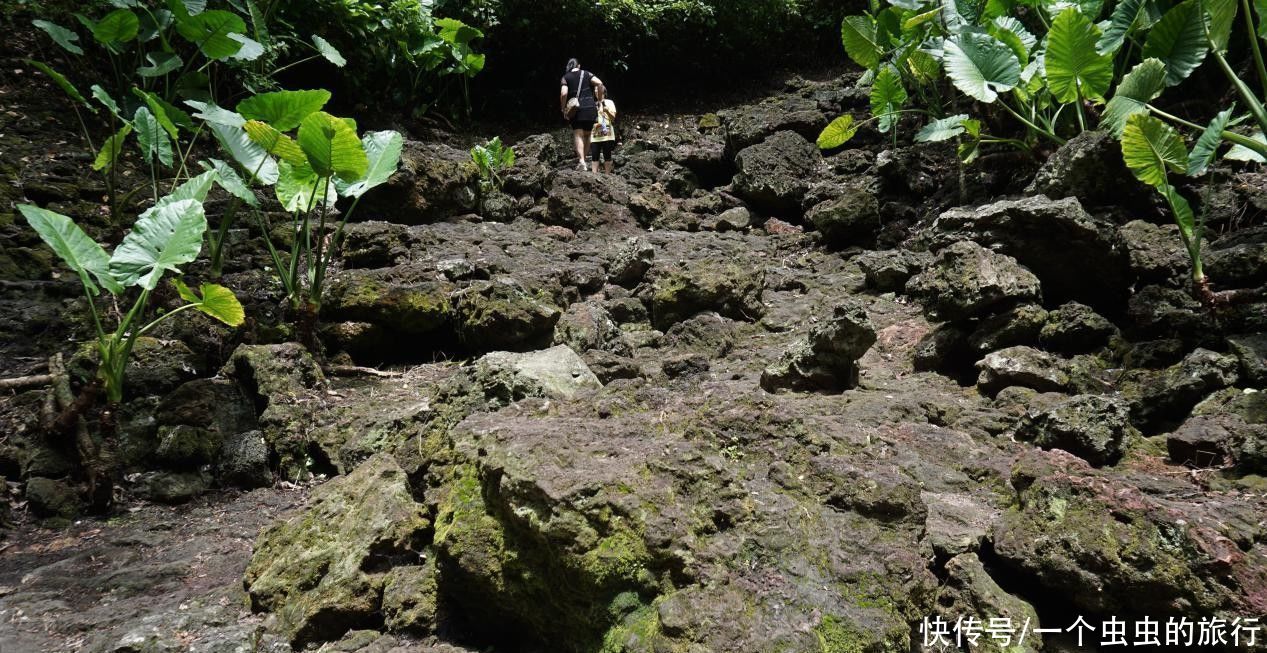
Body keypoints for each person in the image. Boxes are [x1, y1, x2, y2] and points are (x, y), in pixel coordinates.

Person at [559, 58, 604, 171]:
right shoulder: (587, 73)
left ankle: (582, 162)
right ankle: (583, 159)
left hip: (577, 109)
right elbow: (599, 83)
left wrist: (563, 108)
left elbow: (564, 93)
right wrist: (599, 100)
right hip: (590, 107)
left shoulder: (566, 77)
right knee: (588, 135)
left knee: (578, 134)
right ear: (578, 65)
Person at [590, 87, 618, 174]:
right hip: (594, 133)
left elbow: (613, 118)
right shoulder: (592, 103)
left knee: (607, 155)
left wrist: (607, 110)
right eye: (594, 89)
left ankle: (608, 176)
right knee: (594, 156)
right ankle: (594, 176)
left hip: (607, 133)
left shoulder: (609, 102)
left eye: (597, 89)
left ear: (603, 91)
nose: (595, 91)